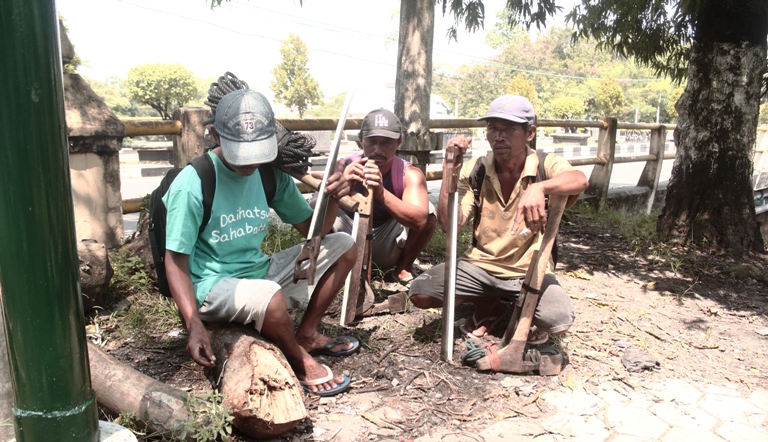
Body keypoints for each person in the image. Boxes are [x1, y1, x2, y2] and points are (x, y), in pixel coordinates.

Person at [163, 89, 359, 396]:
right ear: (215, 134)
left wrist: (332, 196)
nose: (250, 163)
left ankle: (306, 333)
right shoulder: (193, 183)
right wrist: (192, 324)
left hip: (260, 275)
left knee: (344, 245)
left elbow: (314, 231)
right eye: (241, 153)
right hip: (211, 286)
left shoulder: (269, 175)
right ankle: (298, 357)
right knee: (269, 295)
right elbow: (175, 261)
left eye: (258, 152)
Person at [409, 95, 588, 343]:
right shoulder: (477, 169)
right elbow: (450, 226)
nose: (498, 136)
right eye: (493, 128)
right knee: (421, 293)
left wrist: (540, 188)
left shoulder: (545, 166)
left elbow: (580, 179)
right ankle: (490, 303)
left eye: (509, 129)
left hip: (527, 269)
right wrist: (450, 170)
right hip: (480, 266)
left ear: (529, 133)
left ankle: (506, 302)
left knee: (557, 319)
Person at [333, 108, 435, 285]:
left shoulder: (409, 174)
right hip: (347, 237)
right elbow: (314, 210)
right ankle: (334, 268)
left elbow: (419, 221)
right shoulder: (343, 166)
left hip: (386, 242)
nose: (377, 150)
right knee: (322, 204)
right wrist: (344, 185)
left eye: (387, 143)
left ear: (399, 142)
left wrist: (380, 192)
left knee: (428, 212)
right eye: (372, 141)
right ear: (361, 140)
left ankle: (403, 268)